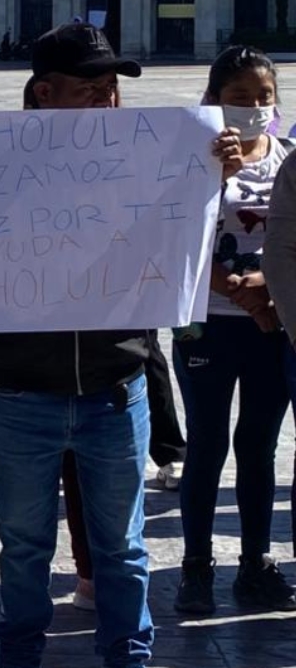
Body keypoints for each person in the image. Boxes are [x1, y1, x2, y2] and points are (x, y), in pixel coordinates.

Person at [0, 22, 241, 668]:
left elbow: (187, 239)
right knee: (24, 545)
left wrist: (214, 176)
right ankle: (20, 656)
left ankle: (129, 657)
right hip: (23, 395)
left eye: (112, 89)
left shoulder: (146, 160)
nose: (107, 102)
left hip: (117, 394)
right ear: (42, 93)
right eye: (91, 89)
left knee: (122, 547)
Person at [170, 46, 296, 615]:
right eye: (239, 98)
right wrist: (233, 289)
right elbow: (171, 237)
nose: (252, 109)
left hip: (272, 326)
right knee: (207, 444)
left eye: (262, 98)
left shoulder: (288, 157)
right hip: (208, 326)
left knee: (259, 447)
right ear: (214, 100)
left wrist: (268, 293)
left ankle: (256, 562)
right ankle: (195, 566)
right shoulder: (191, 156)